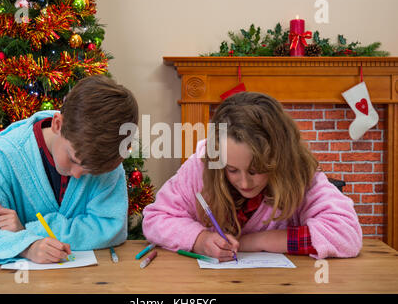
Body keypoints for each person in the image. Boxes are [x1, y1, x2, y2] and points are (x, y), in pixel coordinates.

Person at [142, 92, 362, 261]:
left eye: (255, 170)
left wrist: (257, 241)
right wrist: (199, 239)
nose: (245, 183)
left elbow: (347, 234)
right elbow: (155, 218)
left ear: (280, 159)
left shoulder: (300, 173)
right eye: (232, 170)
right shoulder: (200, 167)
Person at [0, 75, 139, 266]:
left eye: (89, 171)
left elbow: (111, 228)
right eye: (73, 159)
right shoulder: (8, 155)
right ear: (57, 124)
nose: (77, 174)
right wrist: (27, 246)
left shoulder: (106, 159)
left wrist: (26, 230)